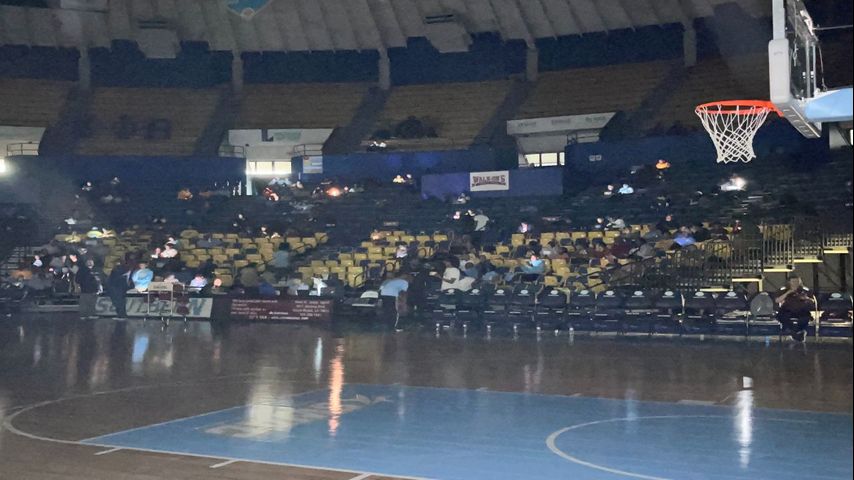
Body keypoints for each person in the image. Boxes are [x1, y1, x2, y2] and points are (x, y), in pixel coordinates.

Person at [774, 275, 815, 342]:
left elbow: (813, 301)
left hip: (801, 310)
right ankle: (795, 333)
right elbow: (777, 300)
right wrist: (787, 293)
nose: (795, 283)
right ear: (789, 282)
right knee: (782, 317)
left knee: (805, 318)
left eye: (797, 281)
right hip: (787, 310)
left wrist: (806, 298)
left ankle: (796, 332)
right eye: (793, 281)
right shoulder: (783, 290)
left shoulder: (805, 290)